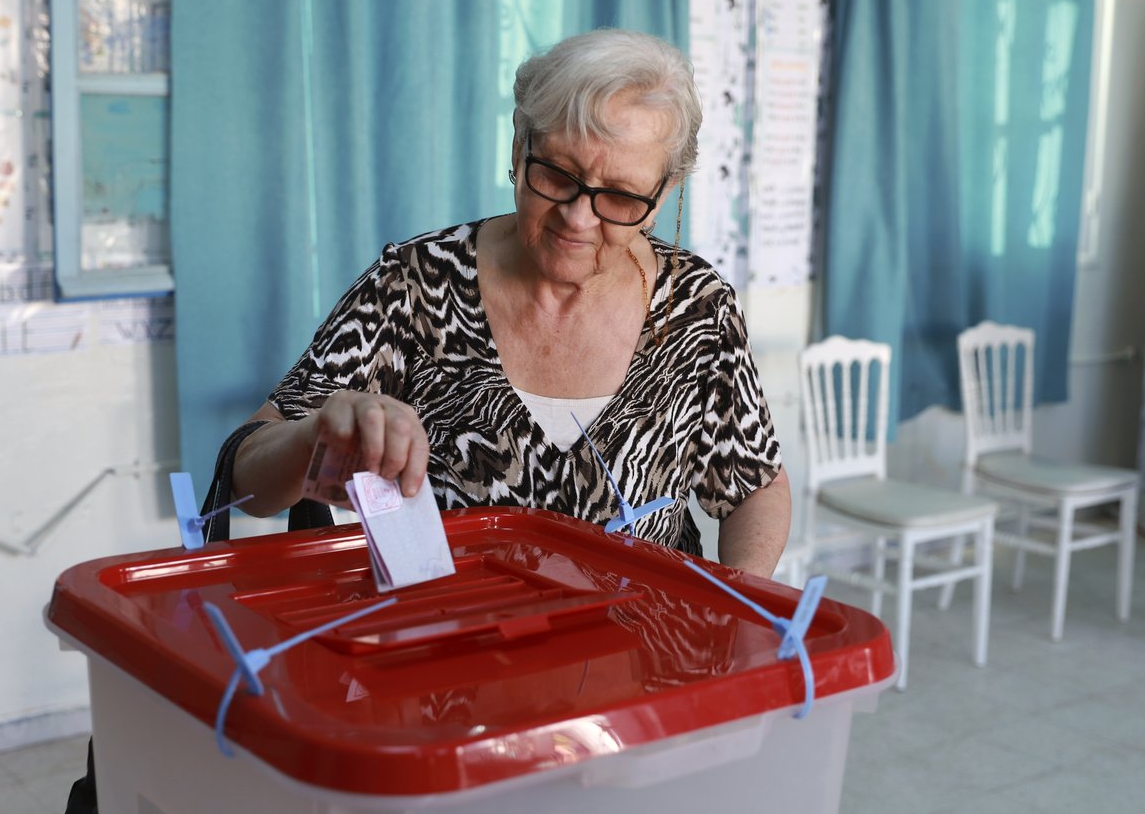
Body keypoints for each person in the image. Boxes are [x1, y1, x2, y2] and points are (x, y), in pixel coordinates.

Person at [226, 29, 790, 576]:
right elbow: (246, 480)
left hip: (645, 648)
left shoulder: (697, 307)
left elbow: (755, 486)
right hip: (458, 646)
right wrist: (311, 438)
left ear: (665, 191)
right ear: (520, 146)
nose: (577, 217)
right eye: (557, 175)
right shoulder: (414, 285)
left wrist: (737, 608)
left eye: (619, 196)